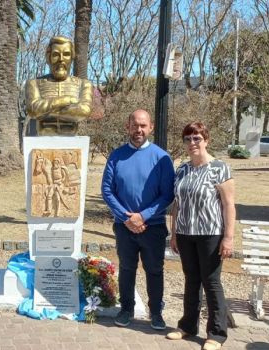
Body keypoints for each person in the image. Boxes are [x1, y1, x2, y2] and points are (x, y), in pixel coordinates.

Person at [101, 109, 175, 330]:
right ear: (128, 127)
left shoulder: (161, 157)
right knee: (126, 269)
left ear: (150, 127)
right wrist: (127, 217)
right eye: (135, 126)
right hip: (124, 227)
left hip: (152, 227)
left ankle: (156, 312)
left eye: (143, 126)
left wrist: (143, 216)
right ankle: (126, 309)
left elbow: (167, 194)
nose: (139, 130)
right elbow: (107, 190)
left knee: (154, 270)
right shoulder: (116, 155)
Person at [166, 122, 235, 350]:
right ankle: (187, 326)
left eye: (197, 138)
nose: (192, 143)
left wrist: (228, 237)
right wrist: (174, 233)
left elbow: (228, 205)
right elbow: (177, 204)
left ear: (206, 140)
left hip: (210, 234)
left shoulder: (220, 168)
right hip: (186, 233)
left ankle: (216, 333)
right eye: (188, 139)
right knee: (191, 280)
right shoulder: (182, 170)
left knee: (211, 282)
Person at [25, 36, 93, 135]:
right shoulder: (34, 83)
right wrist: (66, 100)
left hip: (71, 137)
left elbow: (84, 111)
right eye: (56, 54)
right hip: (43, 136)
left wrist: (45, 111)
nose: (61, 59)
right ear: (49, 57)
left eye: (66, 54)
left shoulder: (84, 84)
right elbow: (33, 110)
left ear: (72, 58)